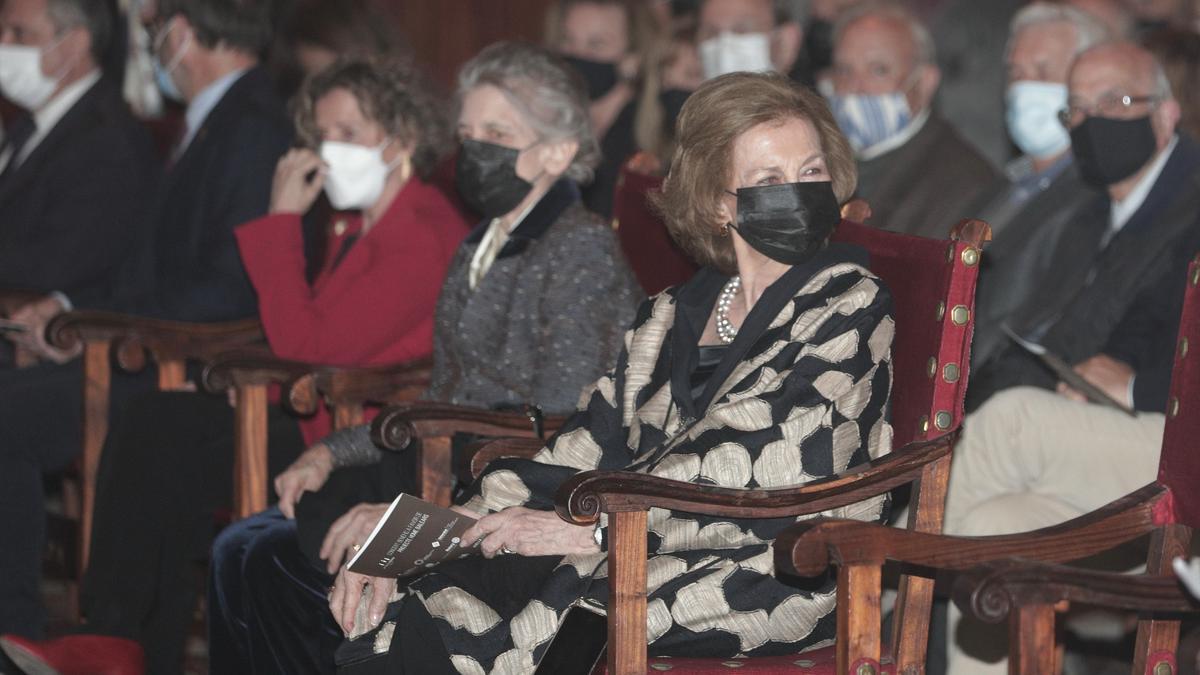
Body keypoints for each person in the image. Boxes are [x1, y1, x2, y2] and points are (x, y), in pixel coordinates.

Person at [321, 69, 894, 674]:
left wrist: (594, 528)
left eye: (811, 172)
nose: (798, 191)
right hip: (635, 541)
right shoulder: (672, 315)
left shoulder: (849, 300)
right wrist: (434, 532)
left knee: (559, 602)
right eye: (769, 179)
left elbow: (764, 453)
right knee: (439, 587)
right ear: (717, 203)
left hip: (773, 563)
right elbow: (584, 443)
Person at [0, 55, 470, 675]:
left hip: (363, 436)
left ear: (402, 137)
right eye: (323, 135)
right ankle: (120, 641)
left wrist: (279, 220)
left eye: (349, 134)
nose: (331, 152)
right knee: (155, 427)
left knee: (164, 443)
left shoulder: (423, 227)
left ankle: (116, 642)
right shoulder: (353, 224)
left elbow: (315, 347)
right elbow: (307, 336)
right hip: (308, 410)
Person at [206, 42, 644, 675]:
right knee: (246, 548)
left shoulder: (579, 252)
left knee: (271, 556)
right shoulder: (480, 243)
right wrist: (336, 449)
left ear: (558, 151)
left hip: (503, 485)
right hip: (438, 457)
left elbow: (557, 423)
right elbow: (440, 391)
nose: (475, 150)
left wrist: (411, 516)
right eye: (468, 133)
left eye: (498, 133)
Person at [0, 0, 290, 646]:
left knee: (8, 418)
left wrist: (107, 323)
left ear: (182, 33)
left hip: (179, 367)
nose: (152, 43)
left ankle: (14, 627)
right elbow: (146, 268)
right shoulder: (214, 119)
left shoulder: (253, 126)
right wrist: (71, 307)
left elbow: (231, 287)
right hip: (136, 344)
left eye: (156, 29)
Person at [942, 159, 1200, 675]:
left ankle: (907, 622)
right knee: (997, 529)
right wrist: (1105, 375)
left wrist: (1132, 386)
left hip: (1186, 434)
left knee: (1010, 420)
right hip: (1166, 416)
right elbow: (1160, 305)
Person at [968, 41, 1200, 409]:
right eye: (1077, 108)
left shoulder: (1188, 212)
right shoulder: (1086, 211)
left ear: (1166, 114)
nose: (1092, 120)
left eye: (1114, 101)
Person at [968, 3, 1110, 368]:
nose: (1024, 86)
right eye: (1016, 72)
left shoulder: (1098, 193)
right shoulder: (1006, 183)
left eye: (1043, 72)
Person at [0, 0, 157, 307]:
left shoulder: (109, 141)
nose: (3, 44)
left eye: (19, 34)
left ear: (74, 44)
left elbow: (55, 263)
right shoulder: (31, 123)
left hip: (40, 334)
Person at [827, 0, 998, 238]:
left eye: (879, 70)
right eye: (844, 71)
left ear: (925, 82)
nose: (855, 88)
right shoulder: (822, 158)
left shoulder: (962, 183)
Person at [544, 0, 665, 217]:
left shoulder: (651, 136)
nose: (578, 54)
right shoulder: (545, 125)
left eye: (596, 44)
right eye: (568, 40)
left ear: (633, 57)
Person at [696, 0, 804, 81]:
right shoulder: (686, 109)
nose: (724, 44)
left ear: (788, 40)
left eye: (741, 30)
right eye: (711, 33)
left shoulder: (814, 109)